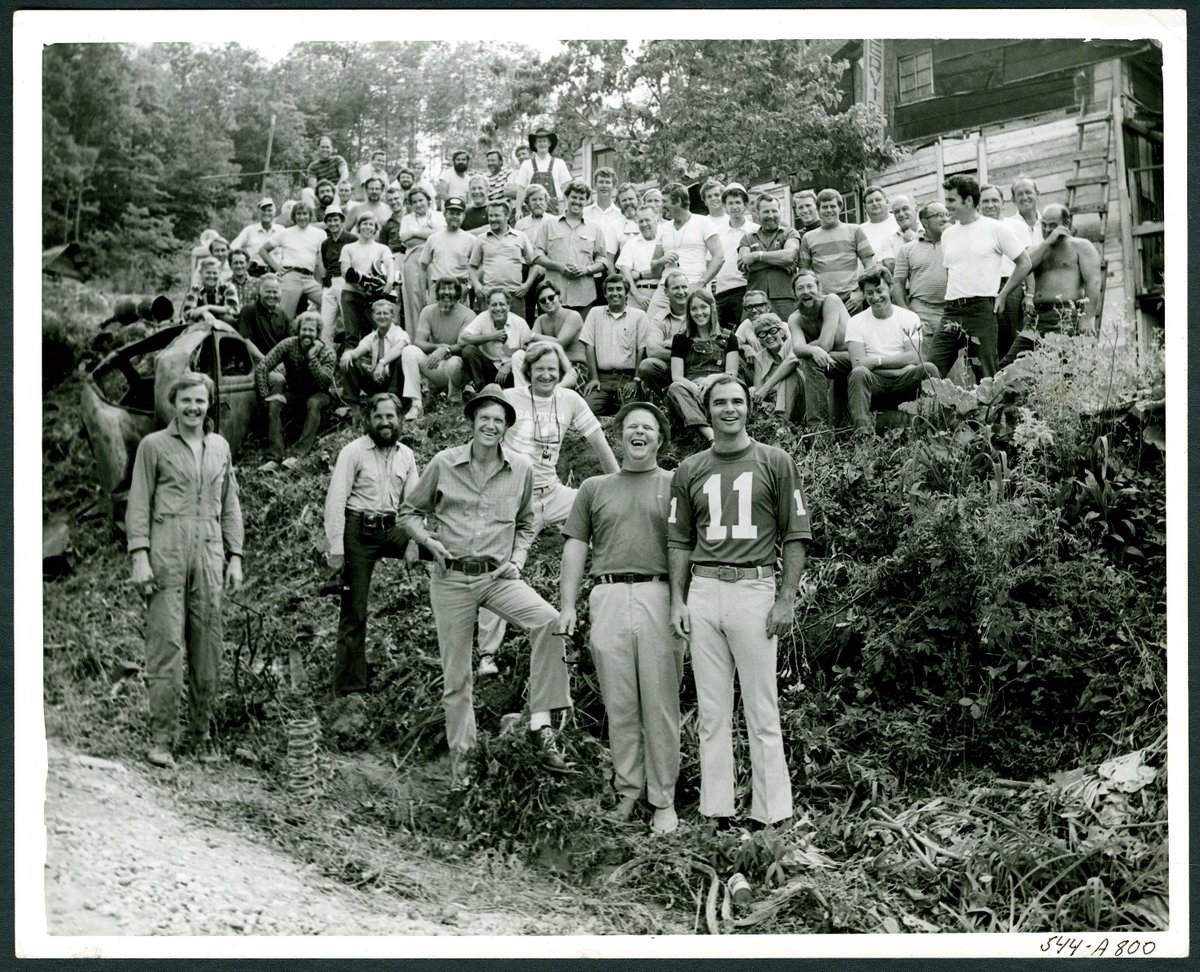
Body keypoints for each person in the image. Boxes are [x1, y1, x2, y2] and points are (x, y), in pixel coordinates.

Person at [400, 386, 574, 785]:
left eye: (499, 420)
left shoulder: (521, 469)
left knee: (548, 620)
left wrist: (518, 560)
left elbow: (529, 523)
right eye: (485, 418)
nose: (491, 425)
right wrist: (428, 541)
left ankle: (541, 723)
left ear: (506, 427)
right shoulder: (444, 464)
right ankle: (465, 768)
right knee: (457, 677)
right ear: (472, 421)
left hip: (497, 576)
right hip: (452, 579)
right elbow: (409, 512)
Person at [667, 374, 809, 830]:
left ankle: (772, 813)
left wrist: (786, 597)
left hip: (753, 588)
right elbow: (679, 541)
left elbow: (796, 534)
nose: (729, 409)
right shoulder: (690, 469)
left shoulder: (776, 461)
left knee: (761, 707)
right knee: (712, 710)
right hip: (704, 589)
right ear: (707, 410)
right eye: (720, 402)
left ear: (749, 407)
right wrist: (678, 599)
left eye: (737, 401)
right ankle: (717, 809)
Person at [558, 400, 684, 833]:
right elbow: (575, 547)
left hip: (659, 595)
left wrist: (683, 601)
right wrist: (569, 605)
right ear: (619, 436)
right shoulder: (594, 488)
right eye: (632, 426)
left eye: (648, 428)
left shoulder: (676, 484)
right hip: (607, 595)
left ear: (660, 438)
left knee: (660, 702)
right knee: (621, 703)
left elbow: (687, 548)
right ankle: (628, 790)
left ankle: (663, 799)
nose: (640, 433)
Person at [474, 342, 619, 677]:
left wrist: (621, 483)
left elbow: (599, 443)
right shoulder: (510, 400)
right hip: (513, 499)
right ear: (528, 370)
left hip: (552, 492)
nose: (547, 374)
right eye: (540, 368)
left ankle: (607, 601)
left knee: (600, 513)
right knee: (499, 565)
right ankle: (488, 654)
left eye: (553, 368)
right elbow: (483, 435)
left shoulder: (569, 400)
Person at [126, 372, 243, 768]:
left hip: (209, 553)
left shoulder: (220, 448)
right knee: (166, 646)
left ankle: (201, 734)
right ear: (173, 404)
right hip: (166, 553)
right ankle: (162, 739)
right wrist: (139, 555)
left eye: (200, 401)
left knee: (207, 644)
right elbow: (138, 503)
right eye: (186, 401)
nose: (194, 407)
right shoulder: (153, 446)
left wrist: (236, 556)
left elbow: (230, 505)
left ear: (209, 404)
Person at [324, 393, 419, 697]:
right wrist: (336, 547)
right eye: (379, 417)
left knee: (443, 549)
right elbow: (336, 500)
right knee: (355, 610)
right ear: (368, 420)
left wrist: (416, 541)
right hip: (357, 533)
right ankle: (350, 687)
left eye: (391, 416)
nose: (385, 422)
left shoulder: (407, 455)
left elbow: (414, 505)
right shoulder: (353, 452)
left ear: (400, 419)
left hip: (392, 528)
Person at [926, 174, 1031, 381]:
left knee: (986, 375)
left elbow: (1025, 262)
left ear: (969, 201)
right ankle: (933, 412)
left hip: (981, 310)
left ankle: (995, 413)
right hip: (951, 311)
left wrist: (1002, 295)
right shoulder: (948, 234)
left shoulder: (996, 229)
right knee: (931, 370)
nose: (947, 207)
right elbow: (951, 271)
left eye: (951, 200)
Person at [1000, 203, 1101, 367]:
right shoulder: (1038, 249)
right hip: (1037, 317)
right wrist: (1047, 242)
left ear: (1066, 224)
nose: (1047, 230)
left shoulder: (1081, 246)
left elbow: (1094, 283)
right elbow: (1025, 266)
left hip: (1065, 314)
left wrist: (1088, 318)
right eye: (1044, 225)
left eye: (1053, 226)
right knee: (1009, 365)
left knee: (1065, 368)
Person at [845, 266, 939, 435]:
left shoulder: (909, 317)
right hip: (876, 384)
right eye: (869, 293)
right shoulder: (856, 322)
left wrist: (876, 361)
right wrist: (900, 364)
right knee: (859, 374)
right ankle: (862, 436)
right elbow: (859, 365)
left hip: (905, 381)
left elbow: (914, 357)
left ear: (890, 287)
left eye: (879, 290)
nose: (875, 297)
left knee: (929, 369)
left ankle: (932, 428)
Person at [254, 312, 336, 471]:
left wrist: (312, 358)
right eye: (304, 329)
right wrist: (265, 395)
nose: (307, 333)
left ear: (317, 332)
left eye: (311, 330)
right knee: (275, 403)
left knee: (313, 403)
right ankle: (274, 457)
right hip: (296, 393)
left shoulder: (327, 352)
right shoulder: (288, 344)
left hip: (320, 394)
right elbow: (263, 366)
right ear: (298, 330)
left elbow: (324, 381)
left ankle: (297, 455)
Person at [665, 288, 741, 443]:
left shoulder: (728, 337)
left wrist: (712, 379)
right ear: (688, 312)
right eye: (693, 309)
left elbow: (732, 373)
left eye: (703, 307)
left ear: (712, 308)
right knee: (674, 388)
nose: (699, 313)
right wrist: (697, 389)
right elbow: (677, 376)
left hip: (719, 389)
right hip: (691, 392)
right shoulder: (681, 339)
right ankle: (710, 435)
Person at [645, 182, 723, 323]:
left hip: (695, 285)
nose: (661, 206)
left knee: (702, 333)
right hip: (666, 288)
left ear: (678, 201)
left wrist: (701, 283)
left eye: (665, 201)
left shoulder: (703, 222)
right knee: (650, 327)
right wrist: (662, 260)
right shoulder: (663, 228)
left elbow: (719, 256)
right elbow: (654, 269)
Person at [532, 179, 608, 319]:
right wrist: (558, 266)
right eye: (574, 197)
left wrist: (586, 270)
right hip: (552, 297)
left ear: (587, 201)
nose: (577, 202)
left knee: (581, 338)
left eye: (582, 198)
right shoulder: (549, 224)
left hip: (584, 297)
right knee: (553, 338)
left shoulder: (594, 228)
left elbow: (603, 260)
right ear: (566, 197)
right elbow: (537, 255)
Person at [399, 277, 472, 418]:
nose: (446, 292)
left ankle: (454, 398)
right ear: (437, 293)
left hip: (457, 368)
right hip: (435, 364)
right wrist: (438, 348)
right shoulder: (428, 311)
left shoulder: (468, 315)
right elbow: (418, 341)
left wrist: (446, 349)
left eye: (450, 289)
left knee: (453, 363)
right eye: (442, 289)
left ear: (457, 293)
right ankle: (416, 404)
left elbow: (464, 344)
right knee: (409, 351)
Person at [786, 271, 852, 427]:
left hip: (855, 356)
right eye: (800, 288)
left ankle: (817, 429)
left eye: (810, 286)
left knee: (811, 361)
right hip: (834, 364)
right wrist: (813, 350)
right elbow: (797, 348)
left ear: (819, 288)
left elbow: (825, 345)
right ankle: (821, 432)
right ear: (794, 294)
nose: (806, 292)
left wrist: (809, 349)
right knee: (841, 426)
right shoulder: (795, 318)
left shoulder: (831, 301)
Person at [797, 188, 876, 313]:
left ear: (840, 207)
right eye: (824, 207)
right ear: (818, 210)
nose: (829, 210)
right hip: (822, 301)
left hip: (851, 299)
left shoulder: (854, 230)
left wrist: (861, 293)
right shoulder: (808, 237)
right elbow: (803, 272)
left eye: (832, 206)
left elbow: (870, 265)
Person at [581, 275, 650, 415]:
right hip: (602, 379)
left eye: (619, 289)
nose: (615, 293)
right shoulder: (595, 313)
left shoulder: (639, 315)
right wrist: (594, 378)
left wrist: (636, 380)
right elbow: (589, 346)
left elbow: (641, 349)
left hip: (628, 379)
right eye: (610, 289)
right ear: (605, 293)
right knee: (586, 412)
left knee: (632, 414)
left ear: (626, 292)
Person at [997, 178, 1044, 358]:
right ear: (1013, 200)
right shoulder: (1008, 226)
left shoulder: (1048, 222)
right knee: (1021, 339)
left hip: (1048, 289)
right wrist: (1028, 294)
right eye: (1019, 194)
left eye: (1028, 192)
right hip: (1022, 294)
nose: (1024, 197)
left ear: (1037, 194)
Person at [891, 201, 949, 340]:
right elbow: (898, 283)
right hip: (921, 311)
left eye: (946, 214)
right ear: (925, 222)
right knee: (923, 359)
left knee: (956, 359)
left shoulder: (954, 244)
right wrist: (906, 314)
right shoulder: (907, 249)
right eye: (939, 215)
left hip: (951, 310)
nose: (945, 219)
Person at [738, 195, 800, 320]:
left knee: (787, 334)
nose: (771, 215)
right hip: (754, 301)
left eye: (774, 211)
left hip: (785, 298)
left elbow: (789, 256)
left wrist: (756, 255)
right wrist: (780, 261)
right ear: (757, 213)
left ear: (779, 211)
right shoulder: (748, 238)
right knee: (752, 336)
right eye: (766, 211)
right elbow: (743, 264)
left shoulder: (789, 233)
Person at [260, 202, 326, 319]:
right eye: (298, 214)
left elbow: (319, 261)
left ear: (310, 215)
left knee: (329, 302)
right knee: (285, 316)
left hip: (309, 279)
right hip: (291, 276)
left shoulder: (320, 234)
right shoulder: (285, 232)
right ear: (294, 216)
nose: (301, 217)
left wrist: (324, 281)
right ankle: (281, 337)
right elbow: (263, 250)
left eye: (305, 213)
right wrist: (276, 267)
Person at [469, 200, 536, 315]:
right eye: (490, 215)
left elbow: (534, 263)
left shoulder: (520, 237)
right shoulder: (481, 238)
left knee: (517, 331)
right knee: (489, 330)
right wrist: (477, 285)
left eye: (497, 215)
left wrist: (527, 285)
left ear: (507, 216)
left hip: (515, 296)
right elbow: (471, 267)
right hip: (490, 296)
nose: (493, 219)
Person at [340, 212, 396, 348]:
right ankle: (350, 365)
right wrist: (359, 287)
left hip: (373, 296)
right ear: (358, 227)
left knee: (372, 333)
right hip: (351, 294)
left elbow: (390, 265)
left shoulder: (382, 248)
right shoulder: (348, 248)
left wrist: (389, 282)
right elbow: (344, 271)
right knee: (351, 334)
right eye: (364, 223)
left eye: (371, 224)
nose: (368, 227)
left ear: (376, 228)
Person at [396, 186, 446, 338]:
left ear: (428, 200)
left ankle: (436, 338)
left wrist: (414, 233)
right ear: (410, 204)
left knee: (434, 296)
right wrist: (429, 235)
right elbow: (405, 240)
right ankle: (416, 339)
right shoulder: (406, 219)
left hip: (434, 258)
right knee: (414, 299)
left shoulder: (438, 216)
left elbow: (441, 234)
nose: (418, 204)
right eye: (414, 202)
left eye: (421, 200)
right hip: (413, 258)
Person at [459, 288, 533, 389]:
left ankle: (516, 392)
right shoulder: (483, 317)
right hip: (490, 369)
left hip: (512, 372)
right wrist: (491, 336)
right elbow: (462, 339)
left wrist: (509, 365)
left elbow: (529, 352)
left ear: (508, 306)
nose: (498, 308)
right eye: (494, 305)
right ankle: (483, 390)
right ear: (488, 306)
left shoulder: (520, 323)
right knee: (468, 350)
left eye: (502, 304)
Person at [339, 297, 408, 400]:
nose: (382, 316)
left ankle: (393, 400)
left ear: (392, 316)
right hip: (377, 381)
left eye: (385, 313)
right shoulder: (372, 337)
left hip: (396, 384)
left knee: (401, 356)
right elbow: (356, 353)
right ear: (373, 317)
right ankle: (351, 404)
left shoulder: (399, 333)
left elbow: (400, 347)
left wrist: (382, 363)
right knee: (352, 362)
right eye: (378, 313)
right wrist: (347, 354)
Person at [635, 270, 691, 397]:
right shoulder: (659, 318)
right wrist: (687, 352)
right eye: (676, 288)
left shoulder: (699, 314)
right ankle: (667, 399)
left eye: (684, 287)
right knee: (647, 366)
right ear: (666, 292)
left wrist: (673, 346)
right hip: (669, 369)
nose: (681, 292)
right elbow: (652, 351)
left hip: (696, 367)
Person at [521, 280, 585, 388]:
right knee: (519, 356)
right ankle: (526, 396)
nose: (547, 301)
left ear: (559, 296)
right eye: (542, 300)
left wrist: (534, 336)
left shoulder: (573, 316)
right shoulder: (541, 319)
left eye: (551, 297)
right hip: (550, 364)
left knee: (553, 388)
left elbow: (559, 343)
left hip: (574, 366)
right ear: (539, 304)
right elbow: (526, 345)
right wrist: (532, 340)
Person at [712, 183, 759, 329]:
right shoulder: (717, 232)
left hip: (745, 289)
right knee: (724, 336)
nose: (734, 207)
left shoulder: (755, 230)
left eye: (738, 202)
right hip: (722, 292)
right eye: (730, 203)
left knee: (743, 332)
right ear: (725, 207)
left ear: (745, 205)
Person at [744, 313, 802, 420]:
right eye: (762, 334)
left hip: (801, 399)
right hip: (773, 404)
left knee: (788, 374)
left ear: (782, 332)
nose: (769, 336)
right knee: (751, 391)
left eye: (773, 330)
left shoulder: (792, 342)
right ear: (759, 339)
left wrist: (766, 388)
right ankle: (764, 423)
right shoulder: (760, 357)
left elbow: (793, 361)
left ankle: (782, 422)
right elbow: (759, 390)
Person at [420, 196, 475, 305]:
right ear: (445, 214)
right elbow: (422, 268)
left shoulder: (471, 240)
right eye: (451, 213)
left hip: (460, 289)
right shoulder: (433, 238)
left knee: (461, 321)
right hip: (437, 289)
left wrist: (468, 287)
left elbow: (478, 268)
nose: (454, 217)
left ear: (463, 216)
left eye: (458, 214)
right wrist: (424, 293)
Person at [318, 203, 357, 345]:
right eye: (329, 220)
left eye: (336, 220)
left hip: (345, 282)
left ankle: (351, 356)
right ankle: (327, 355)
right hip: (330, 283)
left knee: (349, 322)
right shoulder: (325, 244)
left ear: (342, 220)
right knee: (325, 324)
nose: (333, 223)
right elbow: (326, 264)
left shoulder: (351, 239)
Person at [514, 126, 572, 216]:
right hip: (531, 212)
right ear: (535, 144)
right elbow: (521, 190)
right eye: (539, 141)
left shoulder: (559, 163)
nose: (542, 144)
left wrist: (566, 207)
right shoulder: (526, 164)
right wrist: (518, 210)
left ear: (549, 143)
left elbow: (566, 188)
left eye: (544, 141)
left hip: (555, 211)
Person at [617, 203, 663, 312]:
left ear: (657, 220)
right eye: (640, 221)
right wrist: (638, 296)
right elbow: (625, 273)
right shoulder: (631, 244)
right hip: (638, 295)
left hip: (663, 294)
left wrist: (639, 274)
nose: (644, 224)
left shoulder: (666, 240)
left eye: (647, 220)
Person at [514, 183, 550, 323]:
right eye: (534, 200)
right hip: (525, 271)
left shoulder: (553, 221)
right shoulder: (521, 224)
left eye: (541, 200)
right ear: (527, 203)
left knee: (546, 311)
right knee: (526, 312)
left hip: (547, 272)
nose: (538, 203)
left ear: (546, 202)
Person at [235, 272, 289, 355]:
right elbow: (245, 340)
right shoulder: (249, 310)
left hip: (277, 362)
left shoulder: (281, 313)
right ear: (260, 292)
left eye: (275, 292)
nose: (271, 295)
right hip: (256, 361)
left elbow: (287, 342)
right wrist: (264, 361)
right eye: (268, 291)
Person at [230, 198, 280, 277]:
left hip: (276, 274)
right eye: (263, 210)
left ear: (274, 213)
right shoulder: (249, 230)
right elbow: (233, 248)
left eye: (269, 210)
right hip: (254, 274)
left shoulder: (281, 230)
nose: (266, 213)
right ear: (259, 212)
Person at [181, 258, 240, 325]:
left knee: (229, 319)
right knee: (190, 322)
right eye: (208, 273)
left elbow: (233, 309)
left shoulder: (227, 287)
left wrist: (208, 307)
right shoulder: (195, 288)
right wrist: (203, 313)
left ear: (219, 273)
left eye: (215, 273)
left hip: (224, 324)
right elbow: (187, 312)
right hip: (202, 323)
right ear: (201, 273)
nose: (211, 276)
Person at [858, 185, 902, 273]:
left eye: (878, 200)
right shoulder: (860, 230)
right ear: (865, 206)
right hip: (875, 283)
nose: (874, 203)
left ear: (886, 201)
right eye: (870, 202)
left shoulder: (899, 221)